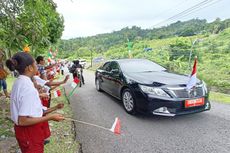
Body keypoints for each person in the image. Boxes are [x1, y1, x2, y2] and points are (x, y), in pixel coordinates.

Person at [5, 52, 64, 153]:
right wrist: (50, 117)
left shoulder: (19, 82)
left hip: (27, 132)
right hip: (29, 132)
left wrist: (55, 108)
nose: (37, 66)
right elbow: (23, 121)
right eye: (35, 64)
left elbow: (35, 112)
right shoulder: (28, 88)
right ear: (30, 68)